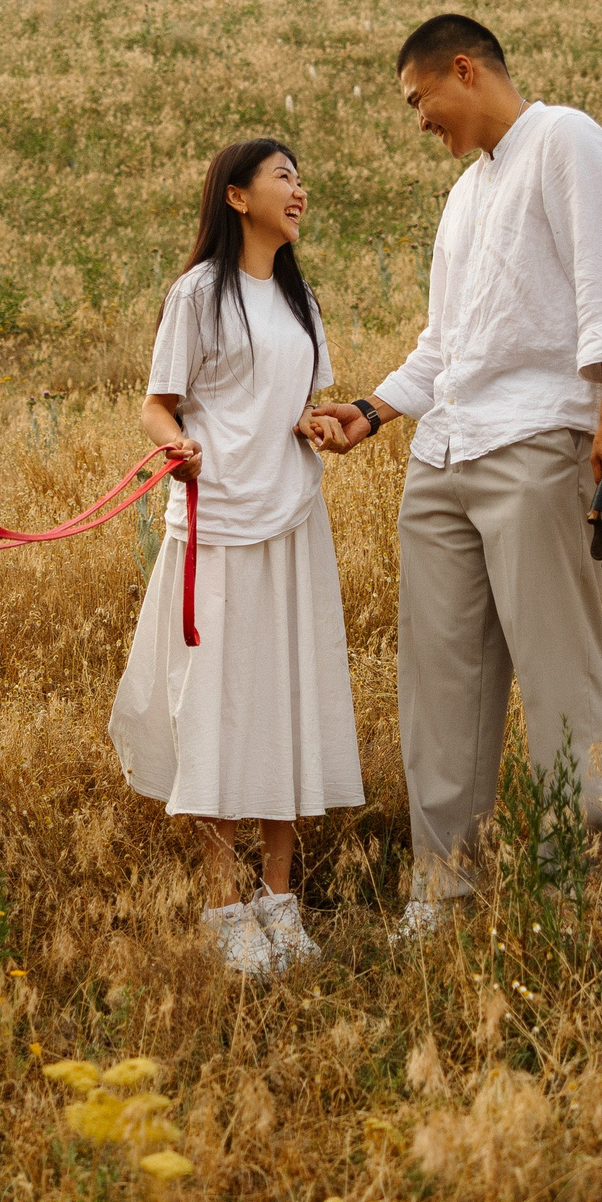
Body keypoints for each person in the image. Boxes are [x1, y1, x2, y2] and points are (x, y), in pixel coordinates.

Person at [313, 15, 602, 936]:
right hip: (442, 458)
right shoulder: (463, 197)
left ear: (465, 69)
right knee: (439, 682)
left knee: (559, 674)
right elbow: (445, 343)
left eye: (420, 99)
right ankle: (442, 889)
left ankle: (566, 888)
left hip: (540, 442)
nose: (419, 119)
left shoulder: (565, 139)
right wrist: (373, 411)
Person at [109, 138, 366, 977]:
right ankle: (226, 903)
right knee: (218, 703)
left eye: (300, 174)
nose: (299, 189)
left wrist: (315, 423)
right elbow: (156, 405)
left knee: (286, 694)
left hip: (292, 518)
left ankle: (280, 899)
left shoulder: (300, 299)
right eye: (283, 175)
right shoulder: (198, 294)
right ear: (235, 196)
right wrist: (178, 442)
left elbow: (291, 405)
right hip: (216, 520)